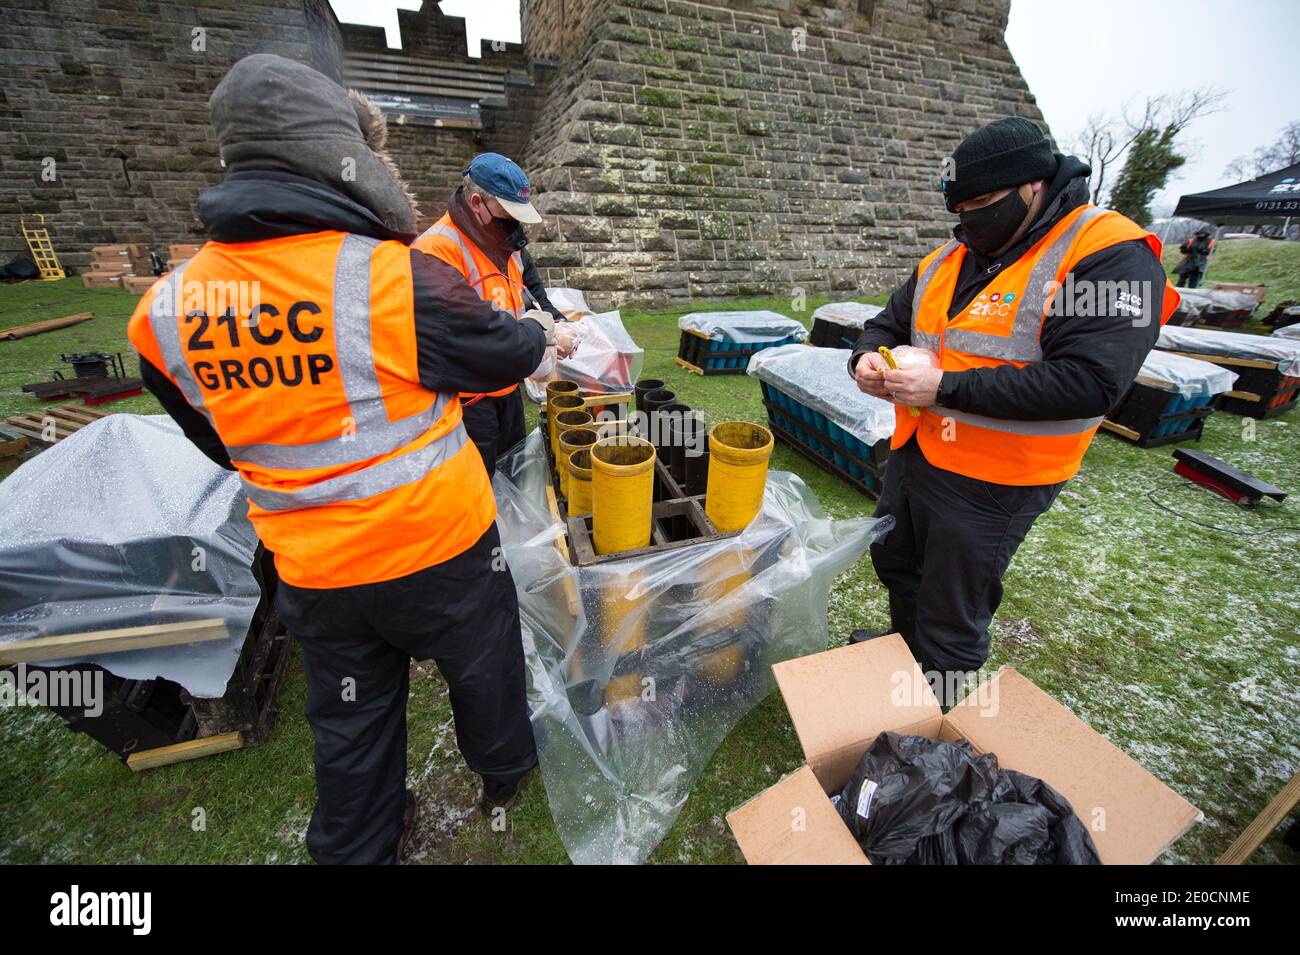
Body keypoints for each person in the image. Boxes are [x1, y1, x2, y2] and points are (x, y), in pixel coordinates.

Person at [127, 54, 551, 864]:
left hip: (314, 569)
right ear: (340, 154)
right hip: (442, 547)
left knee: (352, 716)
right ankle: (505, 769)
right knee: (485, 669)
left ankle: (362, 843)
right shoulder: (394, 280)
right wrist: (538, 336)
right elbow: (504, 353)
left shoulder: (167, 311)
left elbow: (219, 436)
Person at [848, 117, 1179, 707]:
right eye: (959, 209)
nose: (968, 221)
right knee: (898, 562)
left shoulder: (1109, 255)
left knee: (954, 603)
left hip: (999, 477)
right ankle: (904, 655)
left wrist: (943, 387)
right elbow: (886, 324)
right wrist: (864, 362)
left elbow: (1091, 381)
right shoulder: (950, 257)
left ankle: (928, 714)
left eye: (982, 204)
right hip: (917, 451)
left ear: (1034, 185)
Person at [413, 153, 578, 476]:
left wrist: (556, 329)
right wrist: (542, 336)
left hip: (508, 389)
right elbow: (473, 336)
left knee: (513, 478)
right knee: (480, 487)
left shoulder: (507, 244)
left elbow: (532, 299)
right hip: (468, 403)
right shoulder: (434, 252)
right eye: (507, 214)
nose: (514, 224)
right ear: (477, 202)